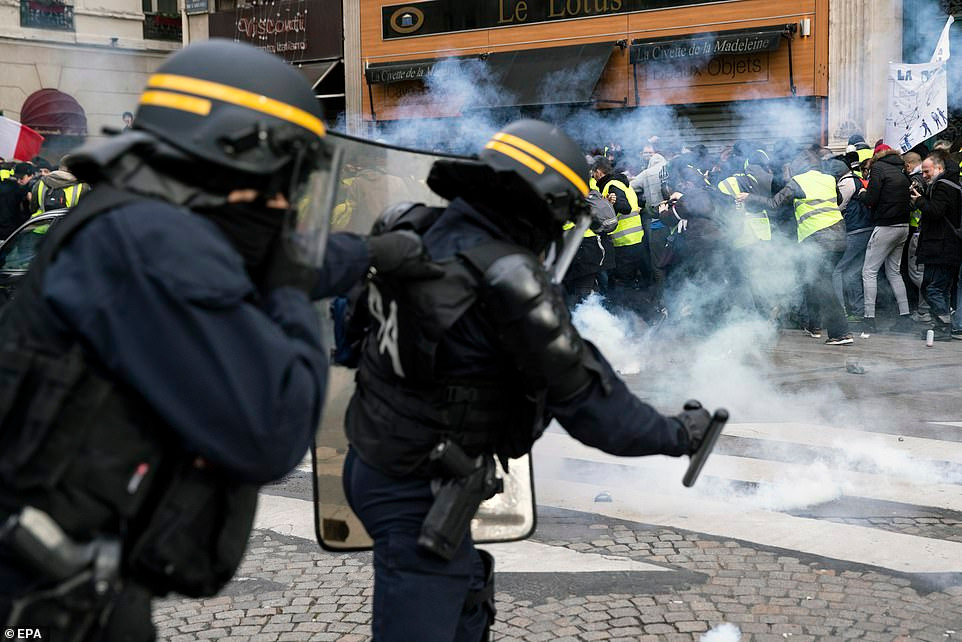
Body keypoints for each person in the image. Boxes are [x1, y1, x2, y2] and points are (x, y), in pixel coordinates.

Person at [0, 40, 436, 640]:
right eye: (286, 177)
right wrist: (292, 280)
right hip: (41, 600)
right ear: (240, 152)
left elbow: (250, 264)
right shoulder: (155, 243)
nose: (286, 203)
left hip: (67, 576)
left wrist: (370, 252)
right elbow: (272, 428)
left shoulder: (137, 216)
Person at [341, 119, 717, 641]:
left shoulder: (410, 227)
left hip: (372, 456)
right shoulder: (509, 279)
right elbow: (592, 407)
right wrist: (680, 434)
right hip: (417, 486)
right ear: (546, 203)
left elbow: (347, 328)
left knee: (465, 596)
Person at [739, 150, 853, 345]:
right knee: (815, 282)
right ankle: (815, 326)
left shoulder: (798, 181)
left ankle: (840, 333)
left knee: (823, 286)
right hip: (840, 237)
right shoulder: (828, 179)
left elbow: (774, 203)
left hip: (818, 239)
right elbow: (840, 200)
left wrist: (749, 197)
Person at [856, 145, 914, 334]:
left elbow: (872, 199)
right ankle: (905, 317)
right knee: (894, 272)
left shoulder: (879, 168)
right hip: (903, 226)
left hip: (885, 226)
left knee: (869, 272)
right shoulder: (901, 168)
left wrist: (862, 194)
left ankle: (868, 319)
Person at [911, 150, 962, 341]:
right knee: (939, 288)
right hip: (946, 246)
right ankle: (941, 325)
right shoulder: (953, 184)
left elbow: (936, 211)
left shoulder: (942, 186)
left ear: (939, 168)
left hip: (942, 246)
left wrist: (919, 201)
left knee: (932, 288)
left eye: (927, 172)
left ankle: (942, 326)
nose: (924, 176)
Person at [0, 162, 35, 240]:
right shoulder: (18, 189)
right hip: (13, 231)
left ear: (31, 176)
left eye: (21, 178)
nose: (19, 181)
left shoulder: (31, 189)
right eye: (17, 178)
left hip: (15, 231)